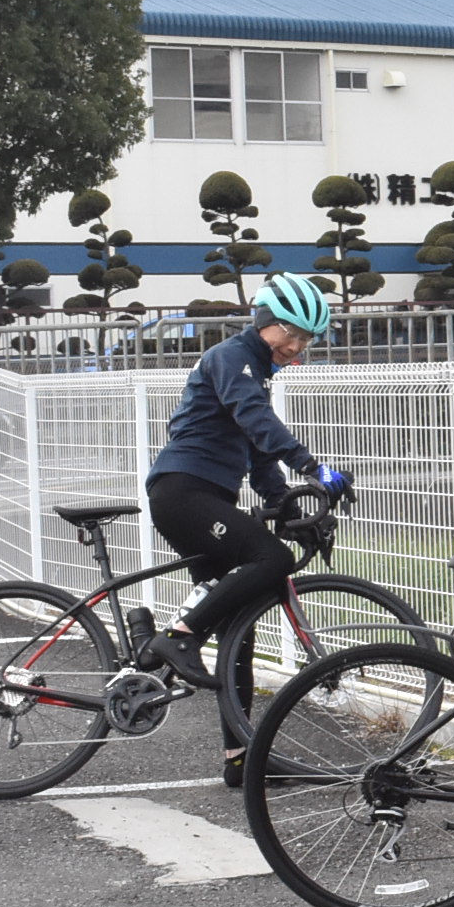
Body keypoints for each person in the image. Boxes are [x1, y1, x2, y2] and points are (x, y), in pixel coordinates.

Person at [139, 273, 354, 783]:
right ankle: (180, 636)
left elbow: (258, 456)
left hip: (207, 495)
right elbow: (257, 421)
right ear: (264, 323)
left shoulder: (257, 371)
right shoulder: (230, 358)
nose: (298, 348)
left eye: (307, 340)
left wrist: (287, 507)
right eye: (292, 335)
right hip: (183, 491)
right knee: (271, 561)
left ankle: (241, 760)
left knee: (241, 630)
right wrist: (313, 467)